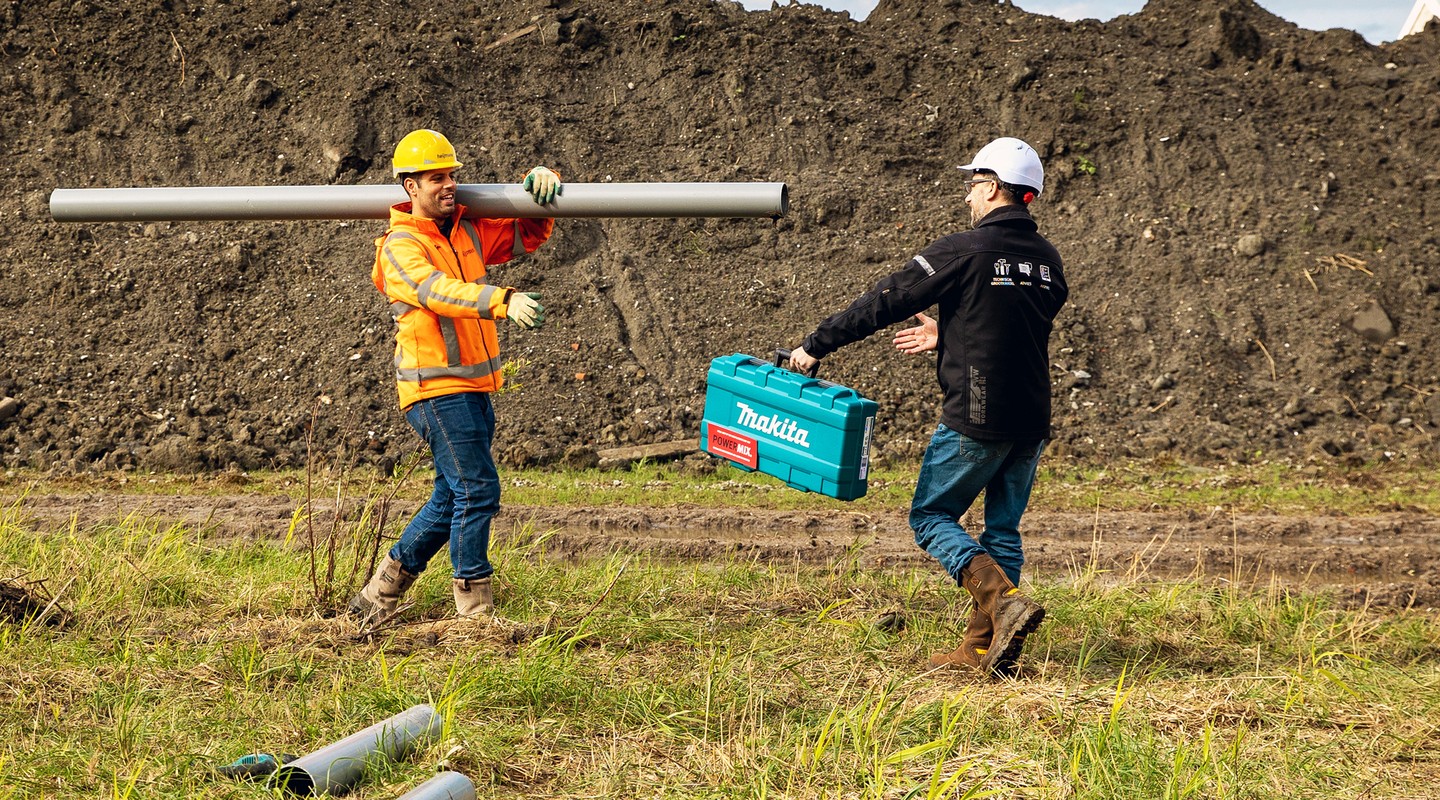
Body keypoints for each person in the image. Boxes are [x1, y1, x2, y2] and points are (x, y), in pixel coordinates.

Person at [789, 137, 1068, 677]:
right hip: (1031, 414)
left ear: (992, 187)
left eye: (973, 185)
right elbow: (1014, 325)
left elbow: (884, 301)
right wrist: (951, 336)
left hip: (977, 412)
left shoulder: (965, 249)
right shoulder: (1048, 260)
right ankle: (987, 652)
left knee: (931, 515)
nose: (968, 197)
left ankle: (1002, 600)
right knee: (1002, 531)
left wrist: (814, 344)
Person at [349, 128, 562, 625]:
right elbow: (436, 291)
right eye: (435, 178)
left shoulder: (464, 230)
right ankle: (474, 613)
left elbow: (524, 234)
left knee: (453, 495)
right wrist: (502, 300)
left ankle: (376, 599)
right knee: (478, 491)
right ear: (409, 187)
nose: (448, 186)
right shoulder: (399, 246)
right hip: (435, 390)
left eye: (451, 176)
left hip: (472, 387)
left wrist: (541, 188)